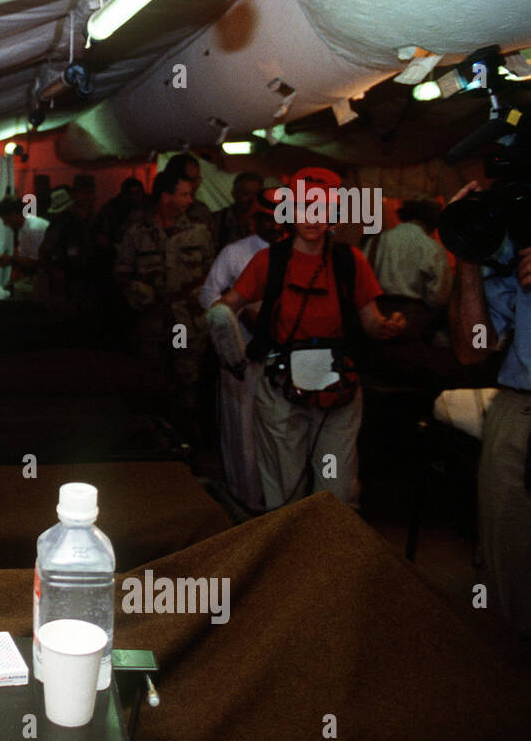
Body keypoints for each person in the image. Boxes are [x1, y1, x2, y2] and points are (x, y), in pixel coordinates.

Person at [212, 171, 406, 509]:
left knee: (337, 491)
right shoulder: (267, 261)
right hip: (280, 389)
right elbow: (224, 309)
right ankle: (290, 557)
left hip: (338, 389)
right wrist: (227, 340)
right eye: (304, 208)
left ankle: (329, 558)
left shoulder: (350, 262)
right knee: (285, 493)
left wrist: (388, 326)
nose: (312, 218)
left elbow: (372, 323)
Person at [449, 180, 531, 636]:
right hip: (518, 412)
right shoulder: (515, 244)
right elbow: (471, 349)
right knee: (507, 570)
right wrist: (468, 258)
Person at [201, 188, 284, 511]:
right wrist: (238, 314)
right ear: (254, 219)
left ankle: (280, 500)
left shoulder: (296, 253)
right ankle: (246, 500)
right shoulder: (235, 252)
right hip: (242, 356)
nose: (275, 226)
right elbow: (208, 294)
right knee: (242, 429)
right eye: (268, 219)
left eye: (282, 219)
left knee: (279, 430)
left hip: (282, 357)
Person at [115, 167, 215, 434]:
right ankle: (154, 442)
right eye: (183, 194)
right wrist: (135, 288)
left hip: (185, 323)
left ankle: (187, 443)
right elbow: (121, 271)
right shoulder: (137, 233)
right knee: (152, 383)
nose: (189, 200)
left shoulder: (199, 232)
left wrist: (201, 290)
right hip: (151, 323)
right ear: (165, 196)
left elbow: (212, 270)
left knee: (187, 381)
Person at [369, 195, 453, 338]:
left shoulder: (376, 241)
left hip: (377, 317)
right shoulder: (431, 247)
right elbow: (439, 297)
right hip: (415, 324)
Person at [0, 193, 49, 297]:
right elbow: (24, 259)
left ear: (13, 214)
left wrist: (10, 260)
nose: (4, 223)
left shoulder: (34, 228)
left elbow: (36, 262)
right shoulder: (22, 229)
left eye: (5, 219)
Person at [213, 171, 264, 249]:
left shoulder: (266, 222)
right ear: (234, 194)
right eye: (246, 193)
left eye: (256, 194)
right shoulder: (217, 220)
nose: (252, 199)